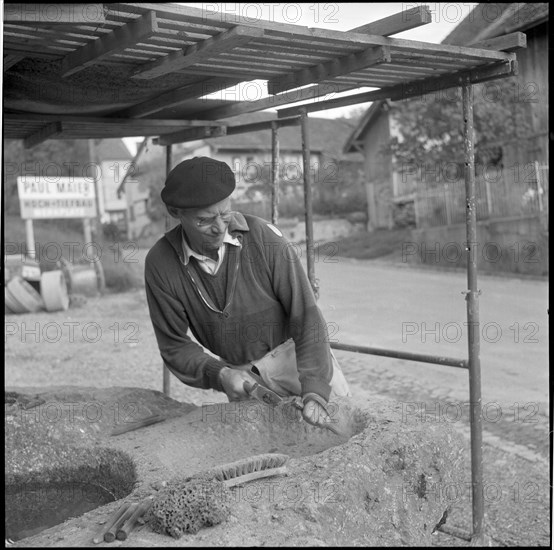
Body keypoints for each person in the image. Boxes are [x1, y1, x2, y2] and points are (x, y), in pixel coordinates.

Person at [145, 156, 350, 428]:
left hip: (297, 358)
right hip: (241, 376)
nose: (219, 227)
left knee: (343, 437)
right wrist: (221, 374)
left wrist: (314, 389)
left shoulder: (264, 238)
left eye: (224, 213)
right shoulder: (161, 263)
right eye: (204, 220)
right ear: (175, 212)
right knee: (272, 457)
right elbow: (173, 345)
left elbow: (307, 315)